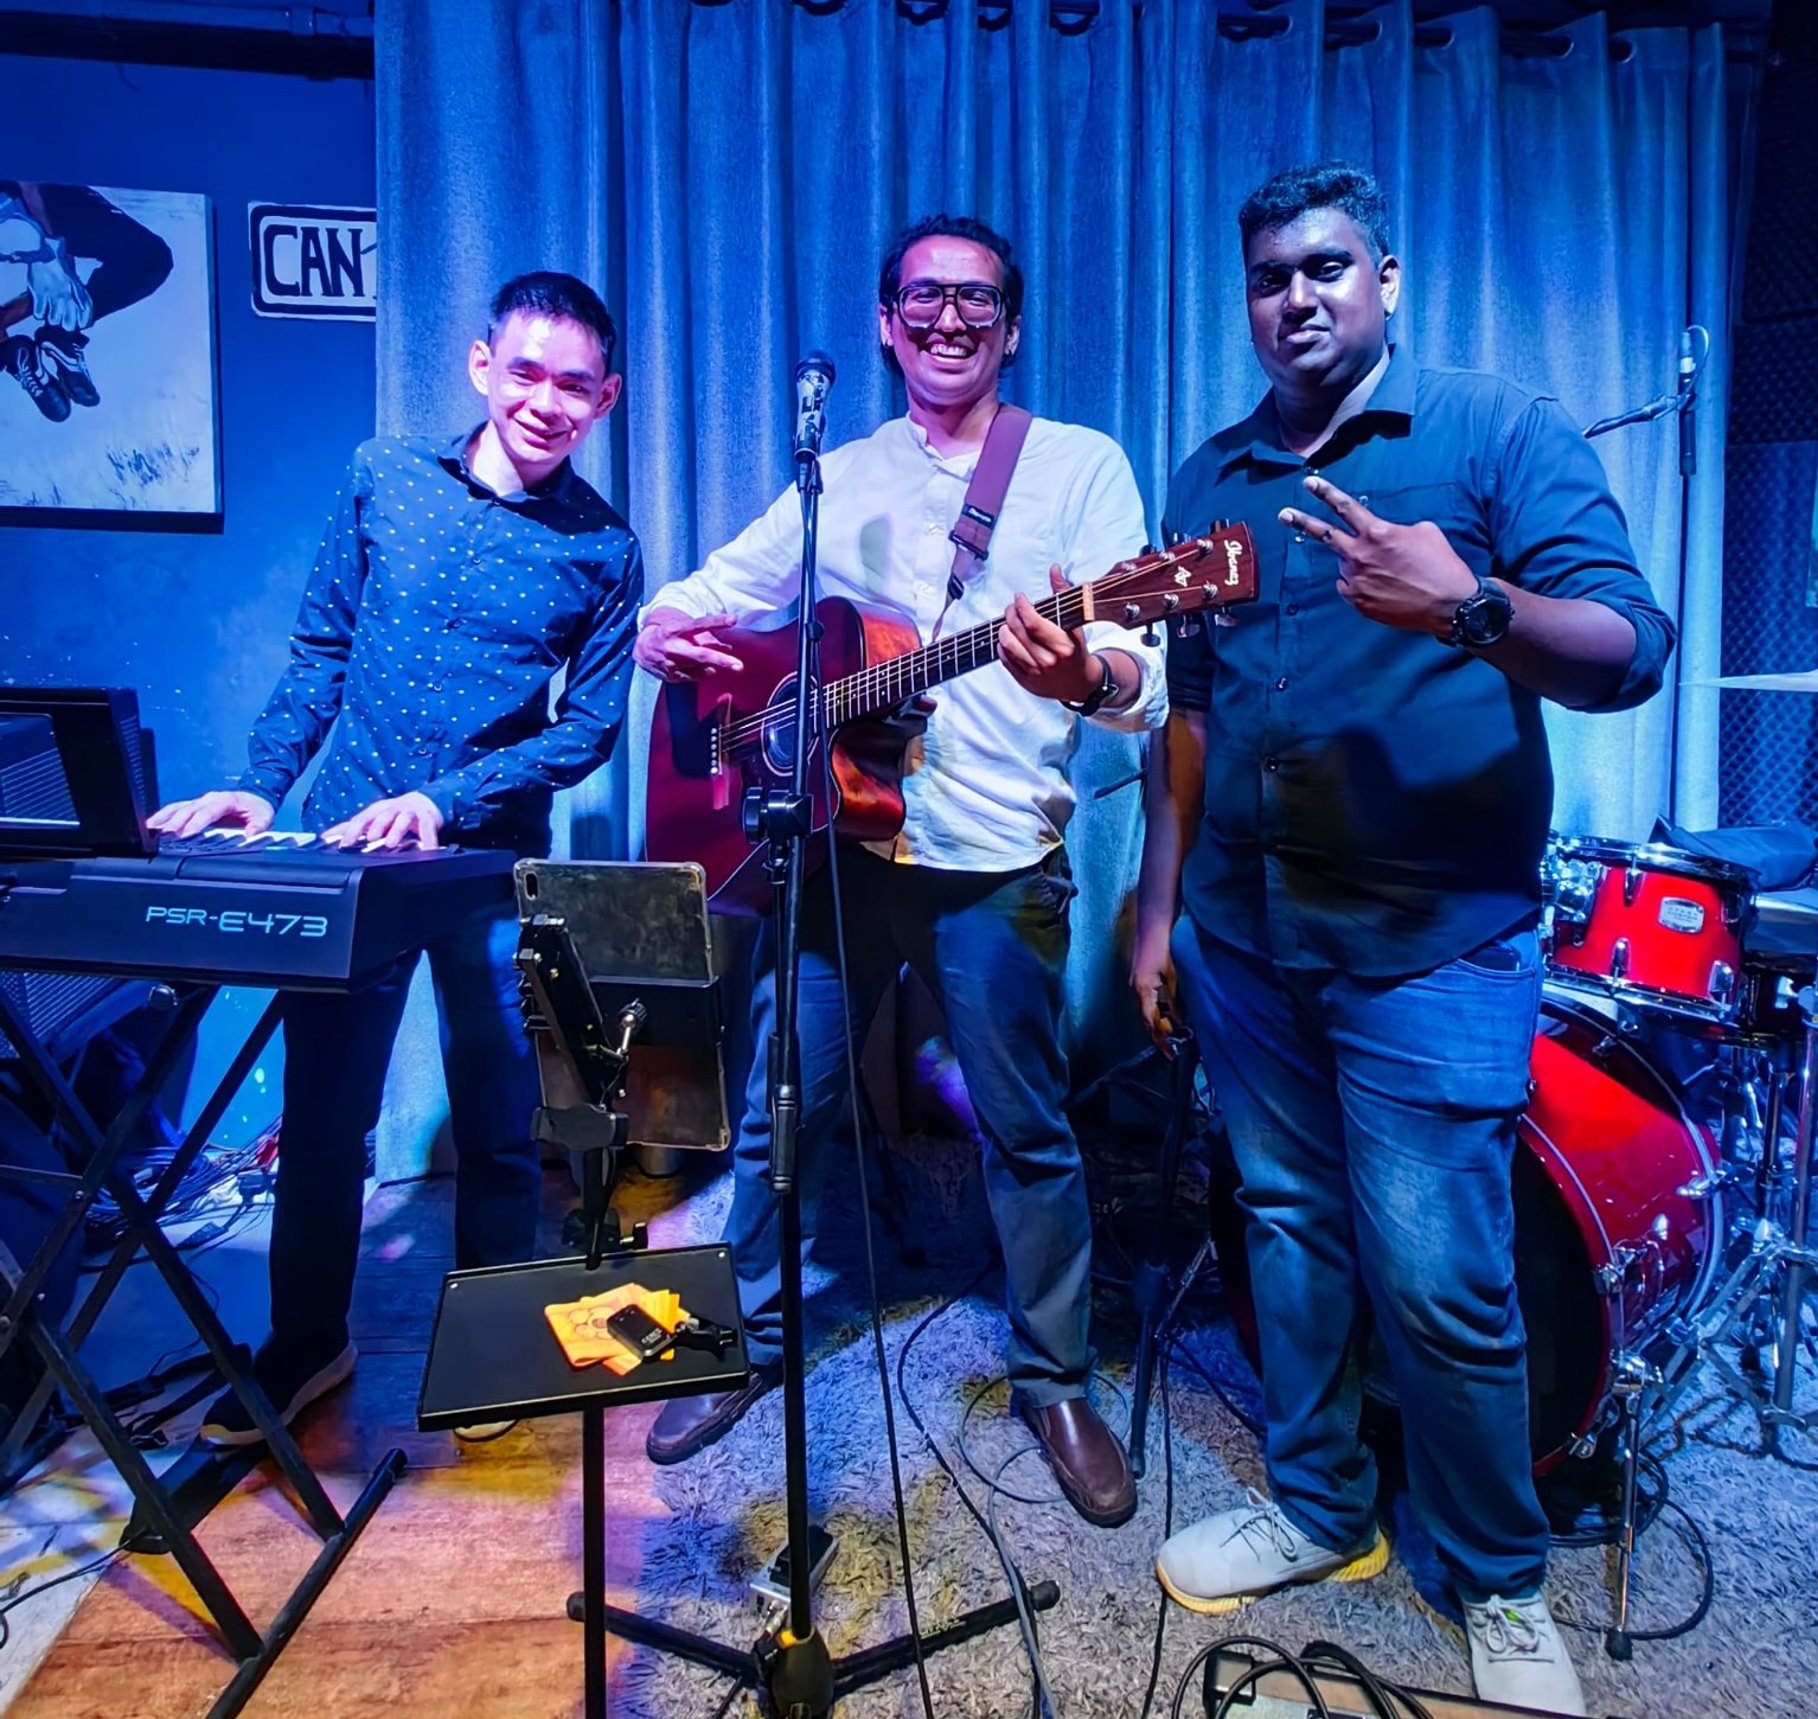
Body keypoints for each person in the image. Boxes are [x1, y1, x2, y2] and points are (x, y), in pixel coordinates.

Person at [1132, 162, 1673, 1713]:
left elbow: (1632, 647)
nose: (1294, 298)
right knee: (1287, 1235)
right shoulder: (1211, 475)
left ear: (1389, 278)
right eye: (1267, 278)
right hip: (1246, 932)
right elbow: (1190, 708)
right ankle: (1320, 1507)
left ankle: (1495, 1578)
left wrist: (1471, 605)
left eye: (1325, 267)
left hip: (1433, 942)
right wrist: (1161, 908)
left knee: (1443, 1275)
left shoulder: (1497, 433)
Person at [634, 215, 1165, 1525]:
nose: (946, 317)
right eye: (921, 297)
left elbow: (1145, 689)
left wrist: (1082, 669)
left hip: (996, 858)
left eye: (975, 298)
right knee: (780, 1103)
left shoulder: (1082, 470)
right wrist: (666, 637)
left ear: (1012, 324)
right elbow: (707, 600)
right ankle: (741, 1341)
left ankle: (1052, 1380)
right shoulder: (842, 475)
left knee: (1029, 1131)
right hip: (838, 851)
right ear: (885, 322)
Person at [150, 272, 640, 1445]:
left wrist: (445, 799)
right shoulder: (384, 476)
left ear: (605, 397)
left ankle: (495, 1352)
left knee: (498, 1116)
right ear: (482, 366)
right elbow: (320, 647)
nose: (546, 400)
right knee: (325, 1122)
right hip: (344, 857)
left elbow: (587, 731)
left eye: (574, 384)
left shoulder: (604, 549)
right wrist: (256, 787)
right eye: (526, 371)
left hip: (483, 867)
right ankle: (306, 1348)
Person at [0, 181, 175, 425]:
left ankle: (51, 334)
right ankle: (48, 340)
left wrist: (47, 254)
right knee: (149, 262)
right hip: (41, 205)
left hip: (39, 191)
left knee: (148, 260)